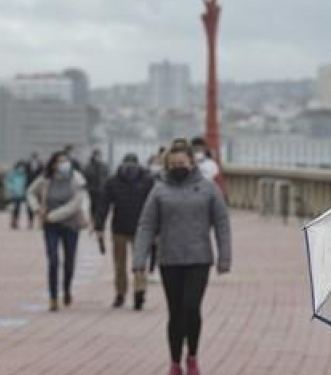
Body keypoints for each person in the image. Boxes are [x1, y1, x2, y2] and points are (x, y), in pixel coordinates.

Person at [133, 140, 231, 375]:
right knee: (175, 312)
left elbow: (221, 224)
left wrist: (224, 257)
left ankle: (193, 356)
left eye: (183, 163)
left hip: (199, 259)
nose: (178, 166)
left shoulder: (208, 188)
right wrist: (139, 260)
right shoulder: (159, 189)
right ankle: (175, 361)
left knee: (191, 307)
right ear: (167, 165)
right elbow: (146, 226)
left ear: (192, 163)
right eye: (174, 163)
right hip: (170, 259)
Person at [27, 151, 88, 312]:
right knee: (53, 260)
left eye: (66, 161)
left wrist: (52, 216)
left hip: (71, 225)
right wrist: (36, 208)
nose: (63, 165)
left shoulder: (76, 179)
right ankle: (53, 297)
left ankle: (66, 289)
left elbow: (76, 204)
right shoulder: (45, 179)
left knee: (69, 261)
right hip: (50, 227)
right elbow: (30, 193)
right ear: (53, 164)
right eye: (60, 162)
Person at [96, 153, 155, 310]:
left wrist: (157, 227)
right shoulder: (113, 182)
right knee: (120, 265)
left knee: (139, 262)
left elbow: (155, 206)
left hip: (141, 228)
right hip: (119, 229)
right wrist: (99, 226)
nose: (130, 169)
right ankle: (120, 293)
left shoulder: (147, 181)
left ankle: (139, 291)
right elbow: (103, 205)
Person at [83, 149, 109, 226]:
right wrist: (88, 186)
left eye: (99, 155)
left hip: (102, 189)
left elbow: (107, 176)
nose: (98, 157)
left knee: (101, 205)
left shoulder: (104, 166)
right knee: (93, 205)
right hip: (92, 190)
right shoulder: (88, 167)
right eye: (96, 155)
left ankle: (98, 219)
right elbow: (85, 177)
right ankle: (93, 218)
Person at [4, 161, 28, 229]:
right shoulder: (13, 174)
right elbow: (7, 182)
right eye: (20, 167)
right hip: (14, 194)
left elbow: (26, 184)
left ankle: (15, 221)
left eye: (22, 167)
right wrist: (11, 188)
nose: (22, 168)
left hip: (21, 194)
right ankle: (13, 221)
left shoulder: (24, 175)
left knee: (18, 209)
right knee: (14, 208)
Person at [25, 152, 44, 228]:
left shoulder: (41, 165)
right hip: (30, 187)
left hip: (39, 188)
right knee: (30, 206)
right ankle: (30, 221)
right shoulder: (27, 165)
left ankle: (40, 222)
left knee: (39, 205)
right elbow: (25, 176)